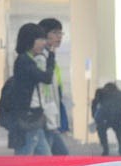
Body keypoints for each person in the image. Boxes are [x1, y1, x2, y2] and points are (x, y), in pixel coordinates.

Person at [6, 23, 54, 156]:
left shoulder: (28, 59)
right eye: (41, 39)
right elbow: (46, 78)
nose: (44, 43)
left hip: (33, 116)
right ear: (30, 40)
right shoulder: (24, 61)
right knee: (23, 159)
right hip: (27, 117)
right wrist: (51, 57)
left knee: (46, 159)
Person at [36, 18, 69, 155]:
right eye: (55, 32)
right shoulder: (40, 59)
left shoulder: (50, 56)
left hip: (51, 117)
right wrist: (49, 118)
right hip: (44, 118)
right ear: (44, 34)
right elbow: (44, 91)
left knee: (60, 157)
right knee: (50, 158)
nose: (59, 36)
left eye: (61, 33)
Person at [92, 83, 121, 156]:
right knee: (120, 136)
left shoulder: (101, 92)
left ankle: (106, 149)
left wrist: (95, 116)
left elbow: (94, 104)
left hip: (105, 118)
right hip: (117, 118)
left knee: (103, 133)